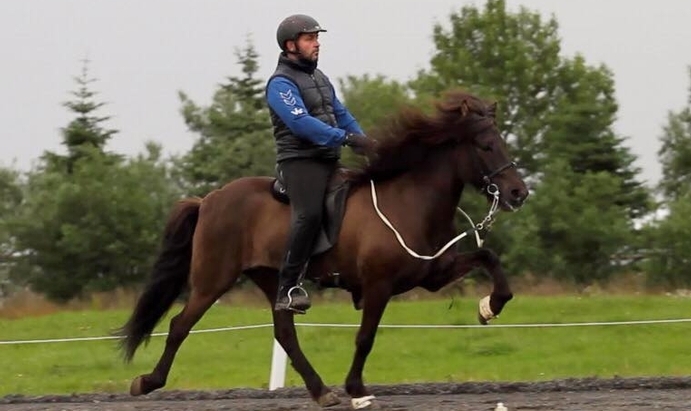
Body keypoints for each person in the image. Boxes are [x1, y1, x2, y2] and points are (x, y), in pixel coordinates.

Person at [265, 14, 372, 313]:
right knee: (309, 214)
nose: (317, 43)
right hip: (299, 161)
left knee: (359, 203)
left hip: (328, 160)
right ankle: (287, 288)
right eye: (310, 38)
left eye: (317, 38)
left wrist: (366, 142)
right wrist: (347, 138)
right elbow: (302, 124)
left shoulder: (320, 78)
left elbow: (342, 113)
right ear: (291, 45)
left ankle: (353, 278)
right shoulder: (280, 84)